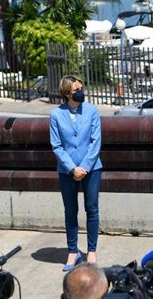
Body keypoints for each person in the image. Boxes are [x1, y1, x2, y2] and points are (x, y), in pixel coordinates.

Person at [50, 75, 103, 270]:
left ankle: (91, 251)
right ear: (66, 94)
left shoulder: (92, 110)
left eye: (81, 88)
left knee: (92, 209)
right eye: (76, 90)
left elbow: (96, 141)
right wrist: (72, 168)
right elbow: (56, 145)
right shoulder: (56, 115)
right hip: (67, 170)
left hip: (92, 168)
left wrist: (85, 167)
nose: (80, 92)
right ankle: (72, 252)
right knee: (70, 211)